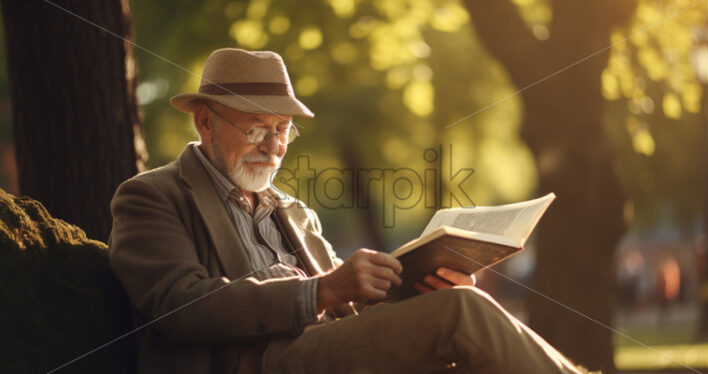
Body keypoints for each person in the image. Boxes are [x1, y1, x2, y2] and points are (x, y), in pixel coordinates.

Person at [108, 48, 583, 374]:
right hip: (253, 362)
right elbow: (179, 308)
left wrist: (420, 289)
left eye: (283, 130)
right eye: (257, 129)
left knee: (455, 313)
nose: (274, 147)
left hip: (324, 350)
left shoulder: (294, 212)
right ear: (205, 121)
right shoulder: (153, 196)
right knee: (461, 314)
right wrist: (320, 290)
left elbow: (348, 306)